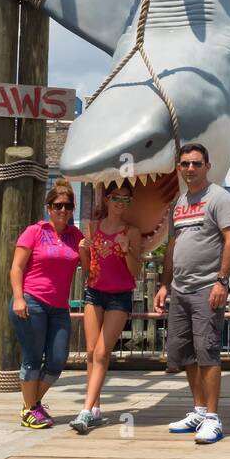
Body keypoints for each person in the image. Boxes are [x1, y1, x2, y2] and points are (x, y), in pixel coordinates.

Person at [154, 142, 230, 445]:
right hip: (180, 289)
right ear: (180, 167)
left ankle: (214, 419)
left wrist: (221, 281)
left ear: (207, 166)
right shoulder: (179, 202)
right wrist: (164, 284)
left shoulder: (219, 198)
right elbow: (173, 246)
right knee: (186, 353)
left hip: (207, 288)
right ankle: (199, 411)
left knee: (208, 352)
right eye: (185, 164)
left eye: (196, 164)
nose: (190, 169)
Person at [9, 180, 85, 429]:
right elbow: (17, 267)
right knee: (32, 357)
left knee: (57, 358)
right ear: (49, 207)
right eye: (58, 205)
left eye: (68, 206)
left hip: (59, 306)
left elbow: (90, 263)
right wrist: (19, 298)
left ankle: (31, 405)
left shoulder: (76, 236)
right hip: (32, 301)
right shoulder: (35, 231)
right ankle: (32, 410)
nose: (63, 210)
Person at [70, 181, 142, 434]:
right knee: (90, 352)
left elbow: (136, 272)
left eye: (126, 199)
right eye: (116, 198)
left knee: (102, 352)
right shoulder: (92, 227)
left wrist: (127, 251)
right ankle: (95, 408)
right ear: (107, 199)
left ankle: (86, 410)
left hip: (119, 296)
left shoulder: (132, 231)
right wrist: (82, 252)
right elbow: (88, 268)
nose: (120, 203)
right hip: (94, 292)